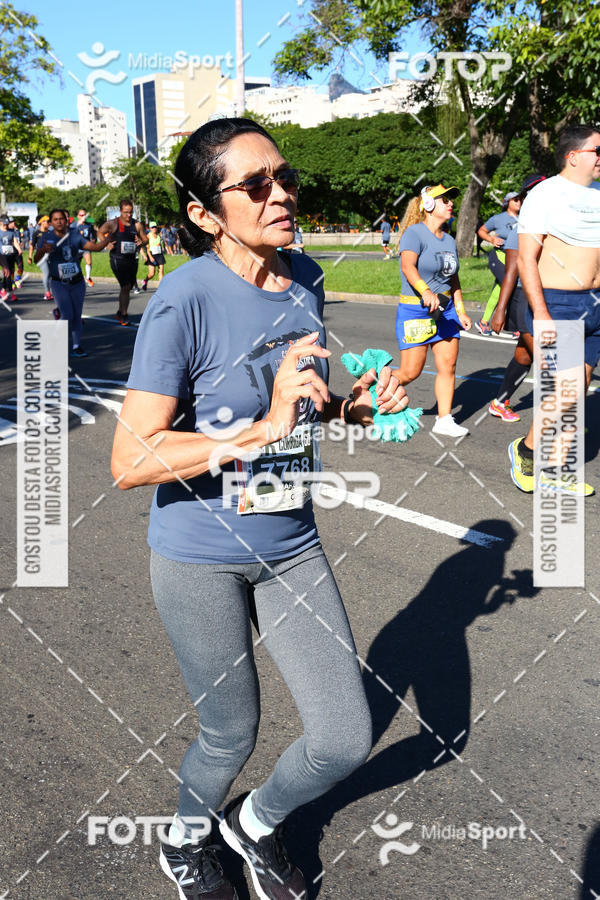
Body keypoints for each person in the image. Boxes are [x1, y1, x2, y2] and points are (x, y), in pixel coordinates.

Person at [111, 117, 408, 900]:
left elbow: (301, 404)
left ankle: (258, 824)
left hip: (293, 545)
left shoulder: (304, 278)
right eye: (255, 185)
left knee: (344, 738)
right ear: (208, 214)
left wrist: (352, 412)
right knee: (229, 733)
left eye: (285, 176)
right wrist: (262, 429)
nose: (281, 194)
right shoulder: (184, 301)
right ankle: (185, 842)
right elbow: (131, 459)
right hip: (199, 557)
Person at [509, 123, 600, 496]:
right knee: (563, 392)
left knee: (576, 391)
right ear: (573, 155)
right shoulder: (544, 194)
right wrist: (540, 312)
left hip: (595, 306)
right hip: (558, 303)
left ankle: (556, 471)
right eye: (598, 151)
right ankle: (526, 449)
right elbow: (527, 259)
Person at [391, 184, 473, 438]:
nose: (450, 204)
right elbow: (407, 266)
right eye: (444, 199)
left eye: (450, 200)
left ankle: (444, 419)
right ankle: (370, 387)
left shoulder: (449, 239)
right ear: (428, 205)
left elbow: (454, 278)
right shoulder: (414, 234)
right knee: (410, 372)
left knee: (448, 365)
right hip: (417, 310)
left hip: (446, 312)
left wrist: (461, 310)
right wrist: (425, 291)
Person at [488, 175, 548, 422]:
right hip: (523, 297)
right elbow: (511, 271)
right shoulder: (521, 227)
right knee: (549, 359)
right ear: (525, 199)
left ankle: (499, 402)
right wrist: (500, 309)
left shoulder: (553, 222)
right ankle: (562, 421)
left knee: (525, 354)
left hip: (546, 296)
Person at [34, 208, 114, 357]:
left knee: (77, 315)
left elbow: (93, 247)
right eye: (55, 219)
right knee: (67, 314)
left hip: (77, 282)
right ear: (51, 222)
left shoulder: (74, 235)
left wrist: (106, 241)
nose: (59, 222)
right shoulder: (46, 237)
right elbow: (36, 259)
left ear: (66, 220)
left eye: (61, 219)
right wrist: (43, 250)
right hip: (59, 283)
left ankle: (77, 345)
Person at [475, 191, 522, 335]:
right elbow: (481, 231)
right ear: (507, 202)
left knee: (499, 289)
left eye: (520, 199)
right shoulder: (498, 219)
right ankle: (517, 327)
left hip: (515, 260)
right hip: (499, 257)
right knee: (511, 286)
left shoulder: (525, 218)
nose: (519, 202)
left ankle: (483, 322)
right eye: (515, 200)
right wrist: (491, 240)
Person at [98, 199, 148, 325]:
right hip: (117, 259)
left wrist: (142, 242)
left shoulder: (137, 225)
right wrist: (106, 244)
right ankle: (124, 315)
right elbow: (100, 232)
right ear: (120, 211)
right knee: (125, 286)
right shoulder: (113, 224)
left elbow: (145, 239)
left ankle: (120, 312)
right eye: (126, 212)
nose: (128, 215)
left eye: (131, 212)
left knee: (129, 287)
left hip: (131, 259)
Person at [28, 215, 53, 301]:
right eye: (47, 221)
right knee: (46, 273)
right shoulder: (36, 233)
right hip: (41, 257)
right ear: (41, 223)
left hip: (51, 256)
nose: (49, 223)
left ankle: (51, 291)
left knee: (50, 274)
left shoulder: (51, 233)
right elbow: (31, 246)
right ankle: (47, 293)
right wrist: (30, 257)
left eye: (49, 221)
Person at [71, 208, 96, 286]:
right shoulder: (74, 225)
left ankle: (88, 277)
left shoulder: (88, 225)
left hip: (86, 247)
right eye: (81, 215)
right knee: (76, 266)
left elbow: (94, 233)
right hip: (76, 248)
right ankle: (76, 279)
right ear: (77, 216)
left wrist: (93, 240)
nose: (83, 216)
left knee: (89, 262)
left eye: (85, 215)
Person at [0, 215, 22, 302]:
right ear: (0, 222)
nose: (6, 225)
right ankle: (11, 293)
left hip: (10, 254)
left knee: (10, 272)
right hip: (1, 255)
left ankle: (2, 290)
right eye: (4, 223)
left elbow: (15, 241)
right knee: (8, 272)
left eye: (7, 223)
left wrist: (19, 249)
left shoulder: (11, 231)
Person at [141, 222, 166, 289]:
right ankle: (145, 280)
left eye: (155, 227)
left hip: (159, 254)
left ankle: (161, 287)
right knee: (152, 274)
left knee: (161, 271)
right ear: (150, 228)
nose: (154, 228)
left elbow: (160, 245)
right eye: (152, 227)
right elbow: (147, 248)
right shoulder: (148, 236)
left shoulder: (158, 236)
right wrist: (150, 257)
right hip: (152, 255)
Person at [7, 219, 24, 290]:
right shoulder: (6, 231)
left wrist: (20, 243)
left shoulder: (17, 231)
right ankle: (12, 282)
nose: (13, 223)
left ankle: (17, 279)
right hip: (10, 253)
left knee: (21, 267)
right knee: (12, 269)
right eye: (11, 222)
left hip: (17, 252)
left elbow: (19, 240)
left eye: (14, 221)